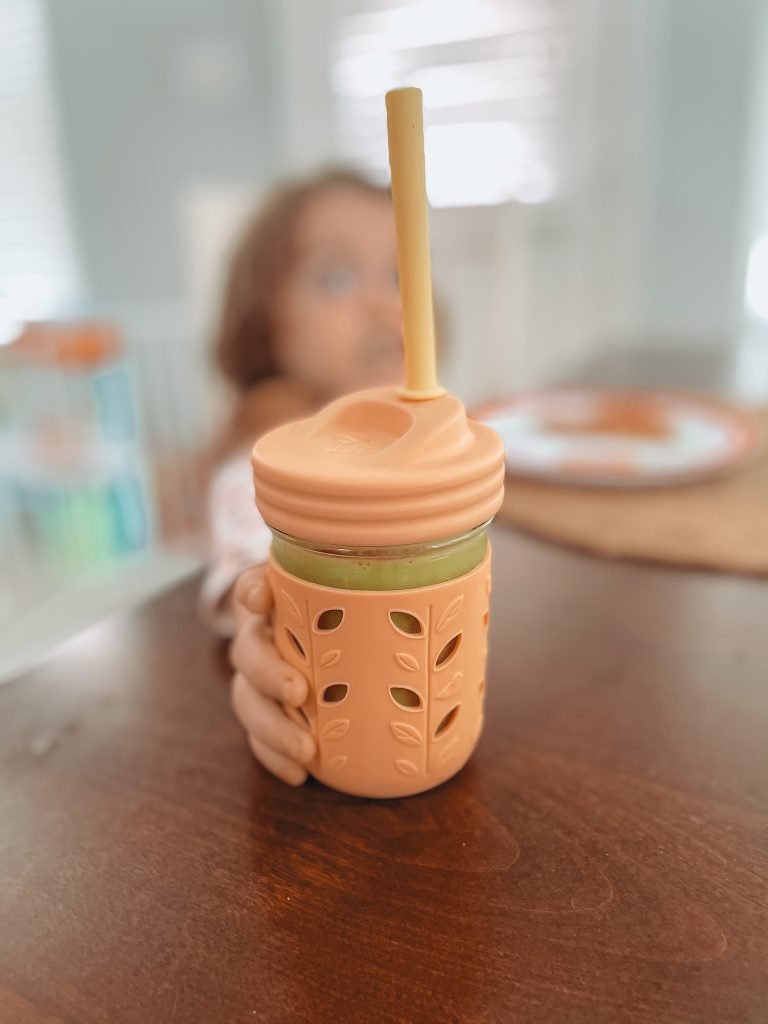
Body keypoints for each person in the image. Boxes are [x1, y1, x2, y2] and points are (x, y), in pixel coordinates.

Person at [200, 169, 404, 786]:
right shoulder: (262, 462)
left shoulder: (419, 431)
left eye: (399, 276)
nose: (382, 303)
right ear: (266, 322)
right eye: (336, 277)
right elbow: (252, 567)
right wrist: (264, 629)